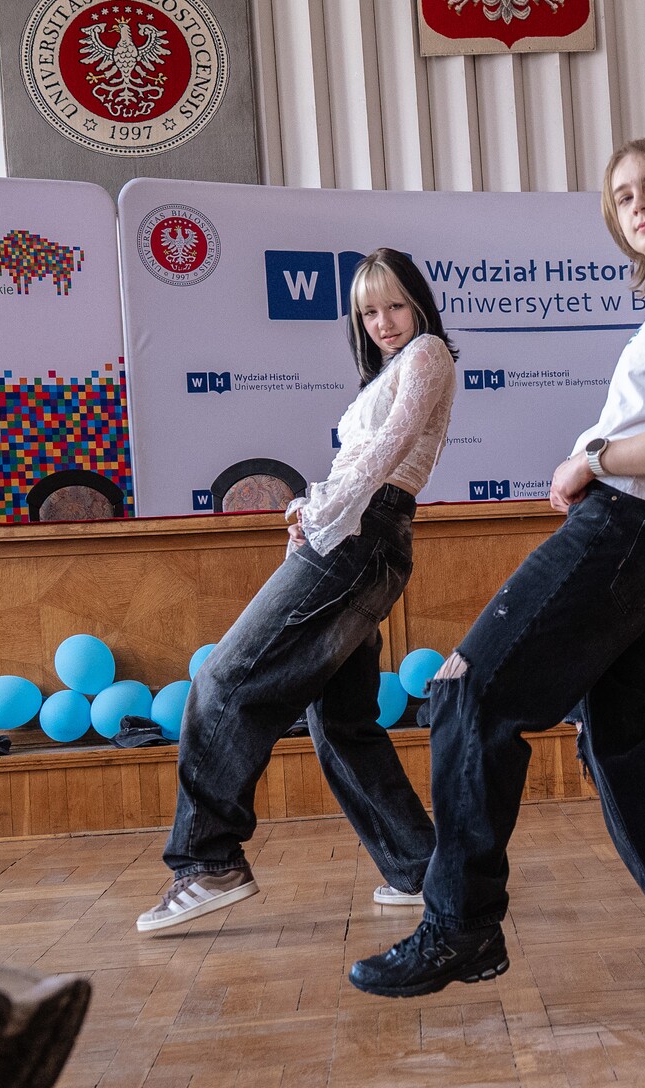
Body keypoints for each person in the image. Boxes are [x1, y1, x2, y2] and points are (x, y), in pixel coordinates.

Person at [349, 137, 645, 998]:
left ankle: (460, 926)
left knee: (466, 693)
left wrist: (594, 458)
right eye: (624, 195)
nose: (639, 204)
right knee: (620, 746)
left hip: (631, 528)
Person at [136, 249, 454, 934]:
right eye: (369, 312)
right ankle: (423, 872)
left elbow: (387, 451)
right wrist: (316, 506)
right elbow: (360, 462)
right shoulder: (391, 370)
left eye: (395, 305)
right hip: (361, 536)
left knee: (223, 677)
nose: (383, 322)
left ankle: (207, 861)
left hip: (358, 536)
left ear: (419, 304)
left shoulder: (428, 353)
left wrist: (321, 511)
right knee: (340, 720)